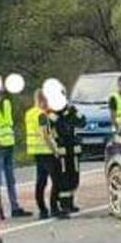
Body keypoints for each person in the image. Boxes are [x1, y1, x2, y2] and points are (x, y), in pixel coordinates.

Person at [0, 74, 30, 218]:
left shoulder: (7, 103)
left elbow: (8, 123)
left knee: (10, 178)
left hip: (9, 144)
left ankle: (14, 207)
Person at [51, 89, 86, 217]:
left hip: (73, 150)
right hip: (62, 152)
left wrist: (73, 112)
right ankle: (64, 204)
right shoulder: (53, 113)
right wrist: (64, 114)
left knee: (74, 177)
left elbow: (82, 122)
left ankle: (70, 203)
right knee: (64, 178)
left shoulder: (71, 111)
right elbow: (57, 126)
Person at [25, 89, 59, 219]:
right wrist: (54, 150)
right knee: (56, 180)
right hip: (45, 150)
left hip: (35, 150)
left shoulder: (29, 113)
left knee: (41, 180)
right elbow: (45, 134)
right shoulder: (41, 115)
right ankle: (54, 208)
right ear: (41, 100)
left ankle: (42, 209)